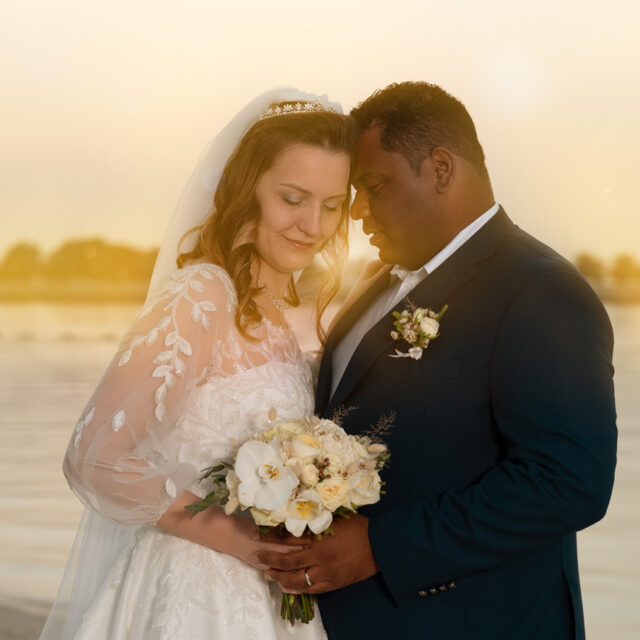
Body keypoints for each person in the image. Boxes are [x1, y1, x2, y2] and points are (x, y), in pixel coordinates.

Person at [257, 82, 618, 639]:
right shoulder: (375, 282)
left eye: (372, 186)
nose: (355, 212)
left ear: (441, 169)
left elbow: (568, 483)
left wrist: (380, 546)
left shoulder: (542, 291)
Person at [38, 87, 359, 640]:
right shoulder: (203, 295)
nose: (313, 224)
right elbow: (93, 459)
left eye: (332, 206)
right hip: (194, 588)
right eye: (292, 198)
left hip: (270, 594)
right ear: (246, 189)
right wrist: (237, 538)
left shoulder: (283, 316)